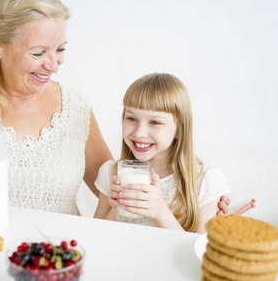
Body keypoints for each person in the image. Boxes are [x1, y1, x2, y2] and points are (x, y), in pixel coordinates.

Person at [0, 0, 229, 216]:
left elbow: (117, 186)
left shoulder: (75, 106)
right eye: (38, 52)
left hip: (61, 261)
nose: (53, 65)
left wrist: (197, 203)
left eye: (60, 49)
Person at [94, 73, 231, 232]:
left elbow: (199, 254)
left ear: (180, 129)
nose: (139, 133)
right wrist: (117, 207)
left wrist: (159, 211)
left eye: (154, 122)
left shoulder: (204, 181)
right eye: (131, 119)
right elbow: (96, 236)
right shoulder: (110, 173)